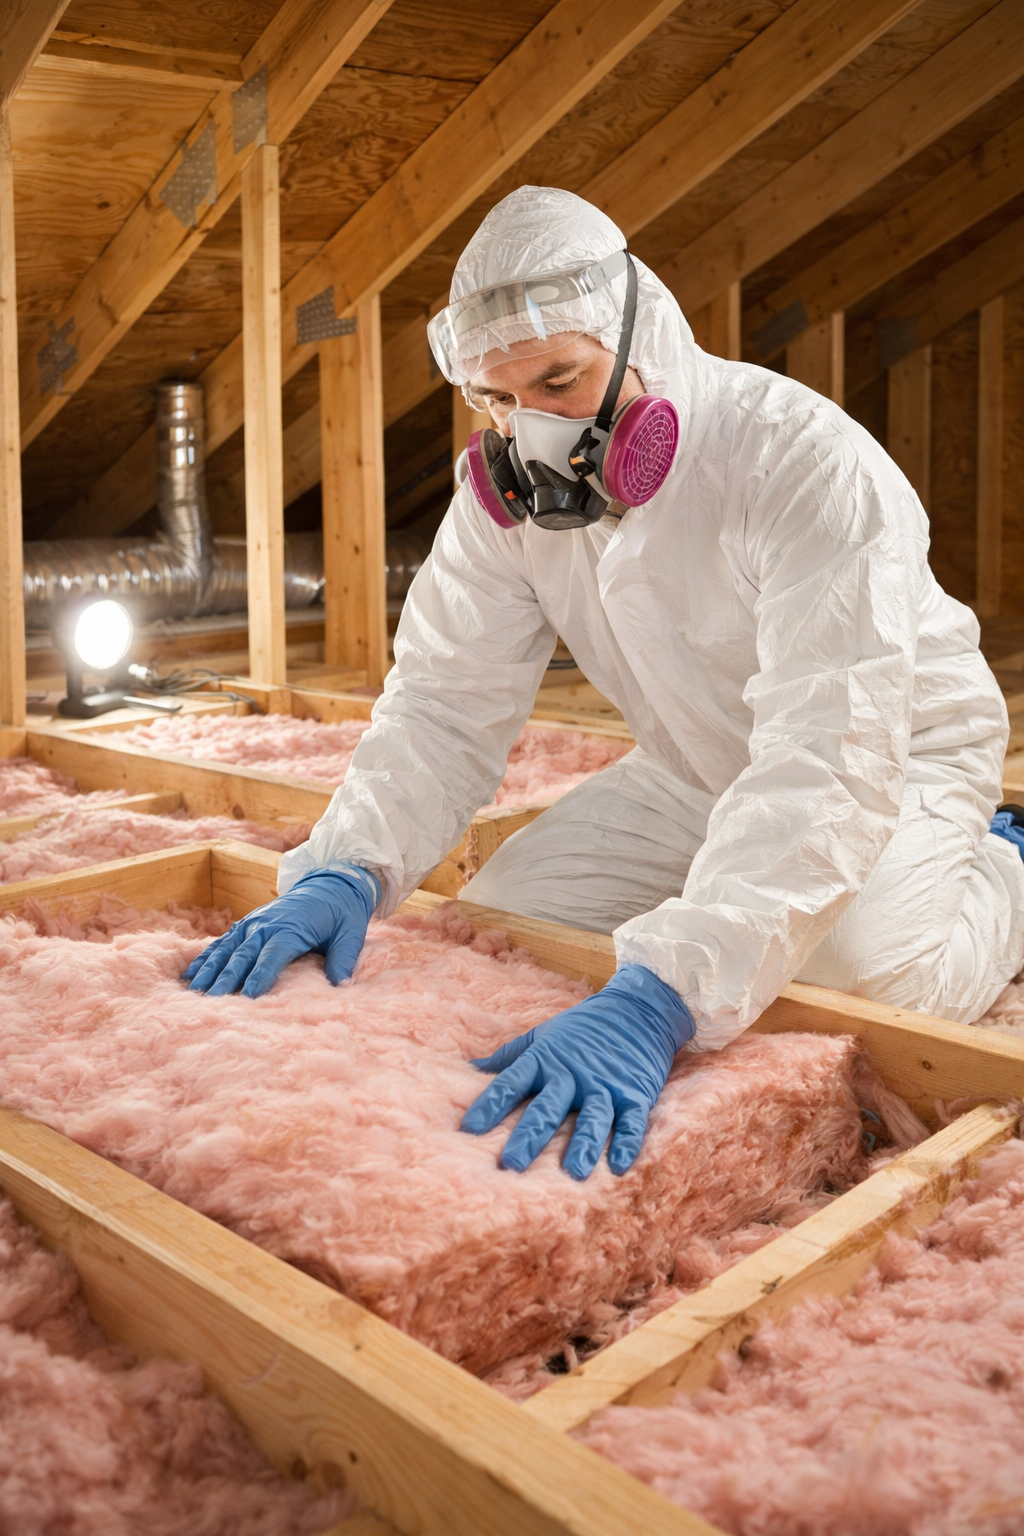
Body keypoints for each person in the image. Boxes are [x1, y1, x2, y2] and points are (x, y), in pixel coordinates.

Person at [184, 186, 1024, 1180]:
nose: (528, 430)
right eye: (498, 400)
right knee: (509, 923)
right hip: (688, 766)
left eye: (559, 380)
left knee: (866, 977)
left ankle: (1004, 861)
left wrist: (662, 998)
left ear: (644, 340)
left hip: (892, 753)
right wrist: (347, 864)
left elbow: (825, 751)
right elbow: (445, 702)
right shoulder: (502, 502)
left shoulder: (801, 464)